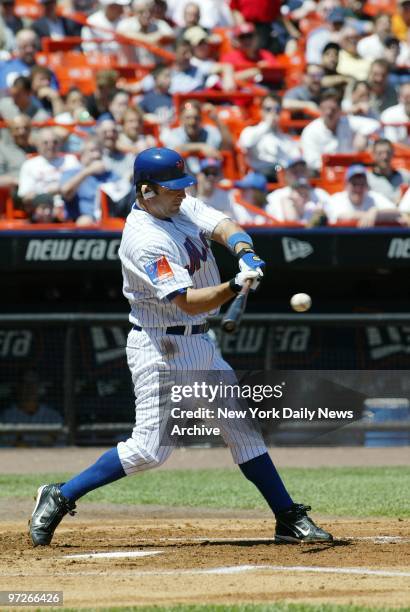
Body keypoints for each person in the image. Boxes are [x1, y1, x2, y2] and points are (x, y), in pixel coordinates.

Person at [28, 146, 333, 547]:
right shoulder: (143, 239)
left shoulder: (178, 206)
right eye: (171, 189)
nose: (181, 194)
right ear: (145, 191)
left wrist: (244, 252)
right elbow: (187, 301)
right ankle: (60, 494)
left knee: (241, 429)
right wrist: (233, 286)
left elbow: (223, 224)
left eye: (182, 186)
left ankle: (286, 517)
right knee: (149, 451)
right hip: (160, 349)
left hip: (198, 343)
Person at [301, 89, 381, 172]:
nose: (329, 113)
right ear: (320, 109)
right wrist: (333, 170)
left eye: (333, 110)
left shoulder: (347, 122)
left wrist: (363, 134)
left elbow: (375, 125)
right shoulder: (311, 131)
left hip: (351, 172)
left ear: (340, 110)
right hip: (326, 175)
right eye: (325, 109)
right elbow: (312, 161)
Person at [61, 138, 131, 223]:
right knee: (85, 221)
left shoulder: (110, 175)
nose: (97, 155)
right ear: (82, 154)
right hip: (82, 221)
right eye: (92, 151)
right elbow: (65, 192)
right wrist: (88, 171)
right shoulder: (72, 173)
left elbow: (125, 195)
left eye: (99, 151)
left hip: (110, 219)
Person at [17, 127, 80, 221]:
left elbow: (80, 188)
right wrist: (47, 194)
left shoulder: (71, 161)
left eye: (55, 142)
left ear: (60, 144)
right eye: (45, 142)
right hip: (42, 212)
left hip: (70, 208)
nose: (51, 145)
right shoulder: (29, 165)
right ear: (38, 144)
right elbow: (25, 196)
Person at [239, 94, 301, 181]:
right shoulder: (250, 131)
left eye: (277, 110)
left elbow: (295, 157)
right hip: (260, 174)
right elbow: (247, 143)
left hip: (282, 172)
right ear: (261, 111)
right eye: (268, 109)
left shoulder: (285, 138)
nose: (273, 113)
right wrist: (267, 124)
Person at [160, 99, 230, 174]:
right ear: (181, 119)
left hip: (209, 178)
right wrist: (201, 146)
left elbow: (228, 145)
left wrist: (216, 119)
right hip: (184, 180)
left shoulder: (209, 131)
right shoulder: (174, 134)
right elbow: (173, 150)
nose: (192, 122)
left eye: (196, 118)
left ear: (201, 119)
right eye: (188, 118)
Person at [325, 164, 399, 226]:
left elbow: (396, 212)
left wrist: (375, 212)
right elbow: (342, 216)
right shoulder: (336, 200)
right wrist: (367, 215)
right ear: (346, 185)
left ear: (367, 185)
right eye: (354, 184)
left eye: (362, 184)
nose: (358, 188)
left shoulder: (373, 197)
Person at [266, 158, 331, 224]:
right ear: (287, 174)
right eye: (295, 172)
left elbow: (332, 220)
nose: (299, 175)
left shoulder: (321, 195)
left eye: (302, 171)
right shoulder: (275, 196)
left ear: (308, 172)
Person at [117, 0, 175, 65]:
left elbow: (170, 35)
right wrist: (150, 39)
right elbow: (121, 34)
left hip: (154, 70)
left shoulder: (160, 24)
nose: (146, 14)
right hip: (131, 70)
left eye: (150, 11)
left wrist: (138, 37)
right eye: (141, 12)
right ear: (134, 12)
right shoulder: (125, 24)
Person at [367, 139, 410, 204]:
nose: (385, 157)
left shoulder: (404, 176)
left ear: (393, 153)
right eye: (380, 153)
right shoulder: (367, 180)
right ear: (373, 155)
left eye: (388, 152)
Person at [0, 114, 36, 190]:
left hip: (39, 187)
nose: (22, 132)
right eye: (17, 128)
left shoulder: (36, 148)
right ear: (10, 131)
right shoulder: (2, 149)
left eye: (26, 128)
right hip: (14, 190)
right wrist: (16, 181)